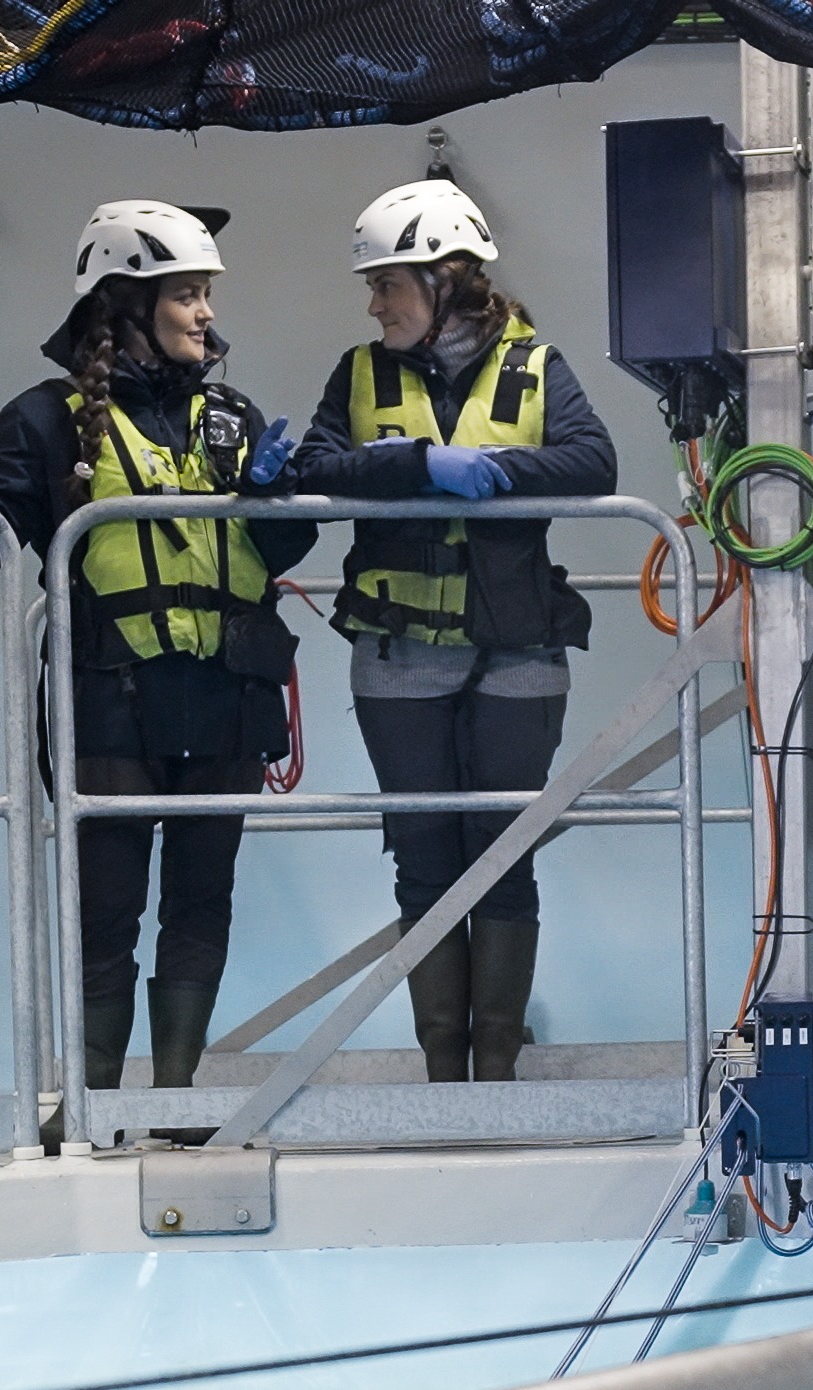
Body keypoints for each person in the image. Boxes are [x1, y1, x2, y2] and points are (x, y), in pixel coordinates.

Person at [0, 198, 314, 1122]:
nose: (207, 313)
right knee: (105, 917)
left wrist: (277, 499)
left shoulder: (232, 416)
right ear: (127, 304)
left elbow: (283, 556)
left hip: (226, 698)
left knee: (200, 908)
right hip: (108, 701)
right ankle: (91, 1107)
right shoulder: (45, 419)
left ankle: (172, 1106)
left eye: (206, 294)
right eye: (187, 294)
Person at [294, 179, 616, 1083]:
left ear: (444, 281)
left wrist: (498, 471)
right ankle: (445, 1077)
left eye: (388, 283)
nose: (374, 303)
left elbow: (594, 461)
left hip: (519, 648)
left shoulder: (536, 364)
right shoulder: (358, 373)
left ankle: (498, 1076)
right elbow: (320, 464)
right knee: (426, 863)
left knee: (504, 857)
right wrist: (420, 464)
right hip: (399, 653)